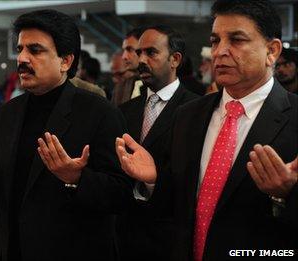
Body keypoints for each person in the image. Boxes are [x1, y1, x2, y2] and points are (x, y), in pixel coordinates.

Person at [0, 9, 132, 261]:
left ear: (65, 61)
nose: (22, 58)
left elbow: (121, 194)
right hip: (15, 249)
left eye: (35, 50)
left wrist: (76, 178)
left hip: (74, 249)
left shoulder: (99, 112)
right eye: (20, 48)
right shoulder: (7, 115)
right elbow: (3, 191)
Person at [116, 1, 297, 260]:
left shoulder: (294, 119)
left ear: (272, 50)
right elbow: (179, 206)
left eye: (236, 40)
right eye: (215, 40)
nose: (220, 51)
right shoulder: (189, 114)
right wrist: (155, 180)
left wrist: (286, 195)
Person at [117, 25, 199, 261]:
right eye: (139, 52)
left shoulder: (196, 110)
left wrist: (154, 182)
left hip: (169, 238)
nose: (141, 60)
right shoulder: (125, 111)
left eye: (151, 53)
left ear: (175, 59)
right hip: (125, 237)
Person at [112, 28, 145, 106]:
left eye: (129, 49)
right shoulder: (120, 88)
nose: (124, 56)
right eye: (124, 50)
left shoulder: (160, 85)